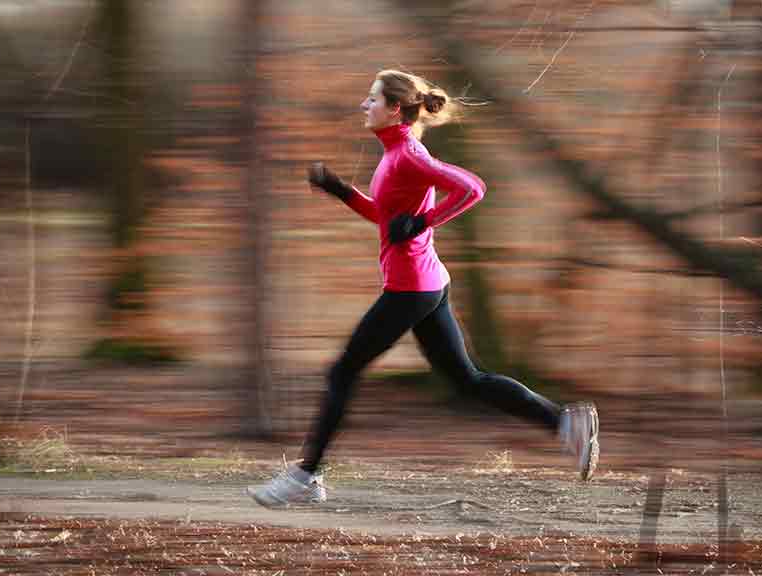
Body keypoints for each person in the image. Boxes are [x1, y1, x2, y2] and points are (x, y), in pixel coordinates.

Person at [247, 70, 598, 507]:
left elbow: (473, 187)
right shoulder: (396, 154)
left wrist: (424, 222)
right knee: (467, 379)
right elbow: (388, 217)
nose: (364, 105)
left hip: (411, 288)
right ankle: (565, 423)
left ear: (394, 108)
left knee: (342, 372)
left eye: (371, 98)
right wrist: (342, 192)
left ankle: (305, 475)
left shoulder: (408, 155)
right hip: (428, 282)